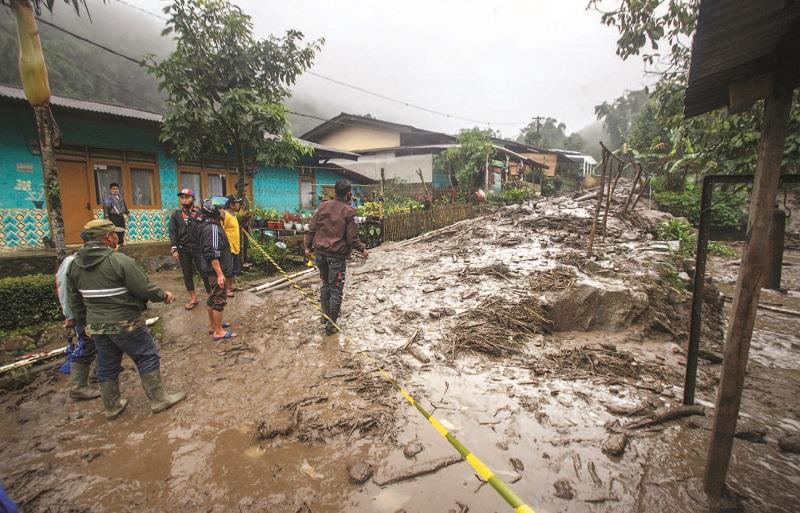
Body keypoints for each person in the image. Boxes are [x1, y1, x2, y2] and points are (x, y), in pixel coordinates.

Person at [67, 219, 184, 419]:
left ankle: (112, 406)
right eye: (114, 234)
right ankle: (159, 399)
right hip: (125, 321)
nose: (117, 237)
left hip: (96, 325)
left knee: (106, 364)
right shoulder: (119, 261)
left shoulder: (74, 265)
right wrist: (164, 295)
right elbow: (143, 288)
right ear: (107, 238)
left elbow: (75, 300)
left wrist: (83, 324)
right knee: (146, 355)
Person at [305, 179, 369, 336]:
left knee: (325, 285)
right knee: (336, 291)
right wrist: (363, 250)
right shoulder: (349, 211)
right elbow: (352, 239)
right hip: (336, 257)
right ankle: (331, 325)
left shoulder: (323, 206)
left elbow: (312, 227)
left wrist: (307, 247)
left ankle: (324, 316)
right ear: (349, 193)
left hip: (320, 254)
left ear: (335, 191)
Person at [55, 234, 100, 401]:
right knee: (87, 345)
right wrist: (69, 315)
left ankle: (99, 372)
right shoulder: (71, 262)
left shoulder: (89, 260)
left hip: (94, 312)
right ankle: (78, 387)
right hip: (81, 314)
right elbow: (64, 290)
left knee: (102, 340)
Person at [199, 198, 237, 340]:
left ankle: (213, 325)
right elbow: (212, 252)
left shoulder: (211, 224)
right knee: (219, 300)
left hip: (212, 270)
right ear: (213, 211)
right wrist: (220, 274)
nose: (223, 211)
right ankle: (218, 331)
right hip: (215, 271)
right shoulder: (213, 228)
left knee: (212, 297)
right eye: (220, 209)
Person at [169, 188, 210, 310]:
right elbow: (172, 232)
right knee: (187, 274)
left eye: (187, 197)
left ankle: (210, 296)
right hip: (183, 249)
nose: (184, 199)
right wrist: (174, 248)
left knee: (205, 272)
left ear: (193, 199)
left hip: (199, 248)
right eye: (182, 197)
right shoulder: (176, 215)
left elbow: (206, 230)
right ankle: (193, 298)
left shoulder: (201, 213)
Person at [222, 195, 243, 296]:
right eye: (237, 203)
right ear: (231, 205)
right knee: (227, 268)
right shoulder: (225, 214)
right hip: (228, 246)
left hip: (235, 245)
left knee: (234, 267)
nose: (239, 205)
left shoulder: (233, 214)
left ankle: (231, 286)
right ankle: (225, 289)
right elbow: (222, 229)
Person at [102, 183, 129, 247]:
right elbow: (106, 207)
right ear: (111, 189)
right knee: (114, 231)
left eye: (116, 189)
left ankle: (121, 243)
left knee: (122, 230)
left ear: (118, 189)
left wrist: (127, 212)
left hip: (120, 216)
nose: (115, 190)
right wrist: (106, 217)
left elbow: (124, 205)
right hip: (113, 216)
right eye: (113, 189)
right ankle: (114, 244)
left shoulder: (121, 196)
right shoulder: (108, 198)